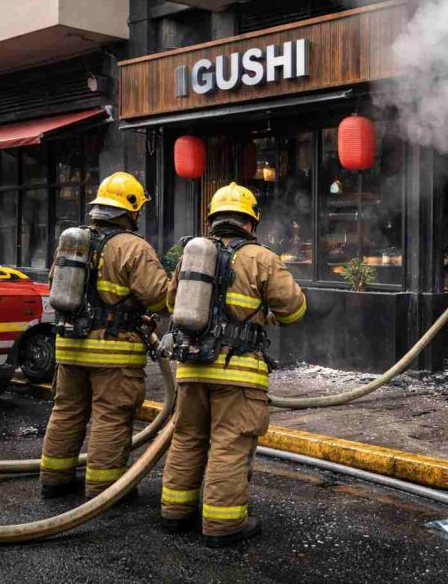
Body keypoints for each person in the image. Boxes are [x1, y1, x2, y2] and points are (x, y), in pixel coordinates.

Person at [160, 182, 306, 547]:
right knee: (229, 443)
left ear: (213, 219)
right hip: (238, 371)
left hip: (191, 367)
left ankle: (175, 513)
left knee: (187, 438)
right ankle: (223, 525)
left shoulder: (191, 255)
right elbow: (295, 309)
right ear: (250, 222)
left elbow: (169, 303)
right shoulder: (261, 257)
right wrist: (263, 315)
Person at [40, 172, 168, 499]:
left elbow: (57, 283)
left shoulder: (72, 240)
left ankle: (55, 479)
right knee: (111, 417)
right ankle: (105, 489)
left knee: (67, 411)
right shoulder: (133, 247)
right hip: (113, 351)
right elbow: (158, 298)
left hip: (69, 345)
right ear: (130, 209)